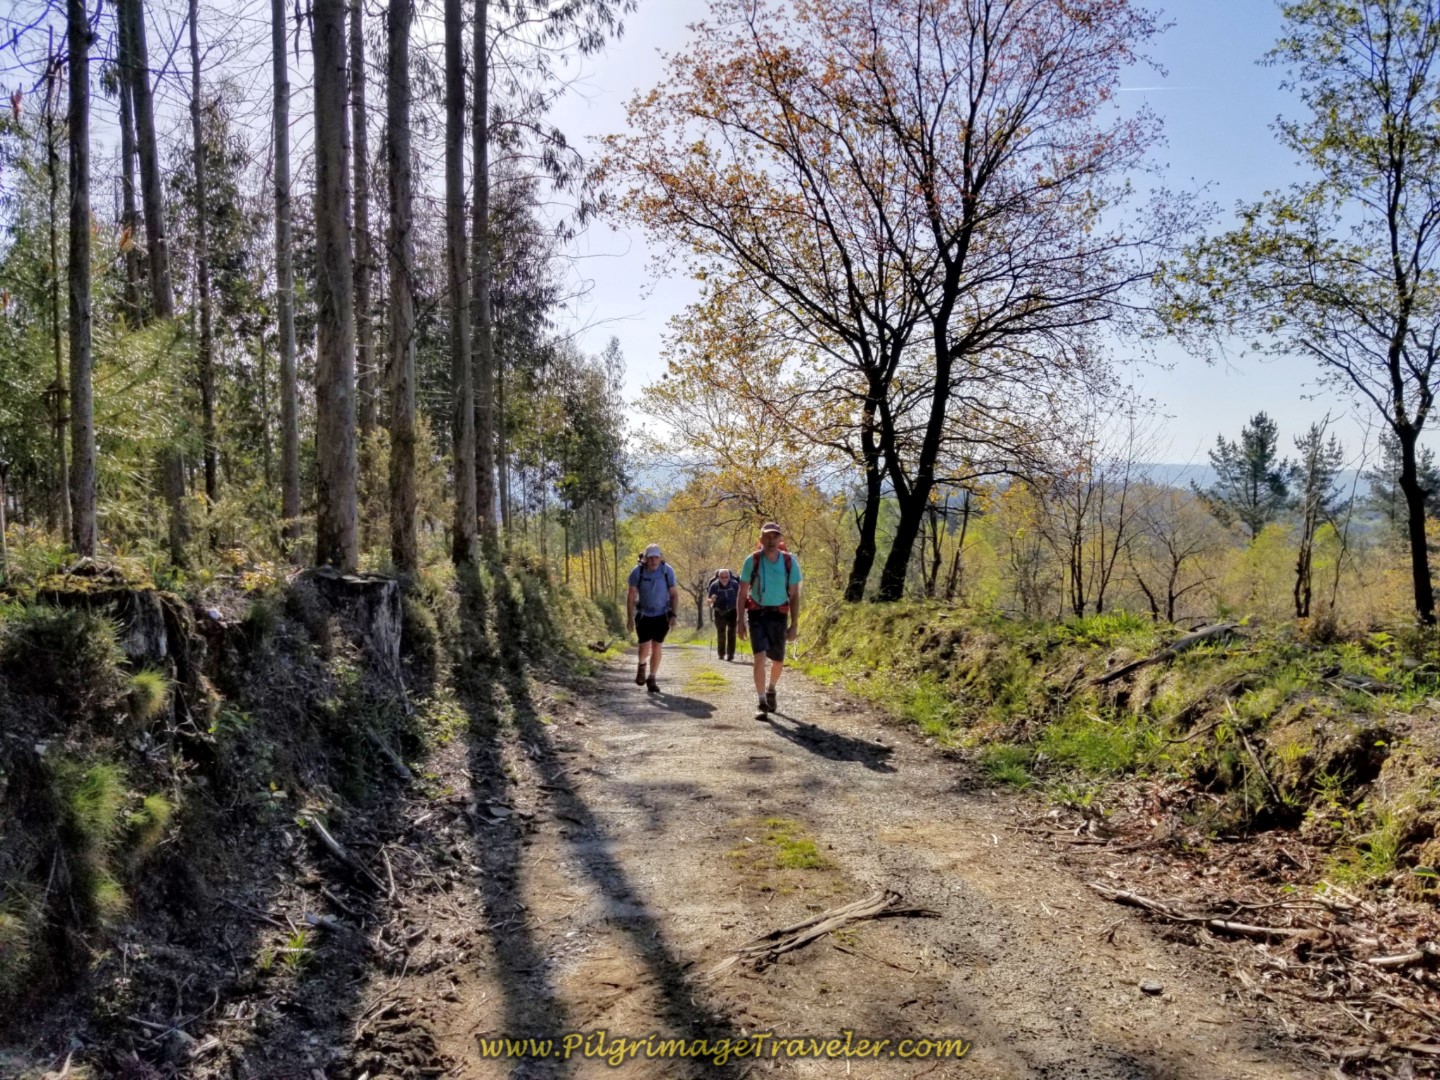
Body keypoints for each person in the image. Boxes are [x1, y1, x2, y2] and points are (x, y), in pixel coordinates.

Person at [737, 522, 802, 715]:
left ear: (780, 539)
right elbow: (741, 594)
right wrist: (740, 622)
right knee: (759, 658)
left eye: (775, 536)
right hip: (756, 613)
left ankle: (771, 688)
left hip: (779, 614)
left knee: (778, 660)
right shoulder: (752, 560)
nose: (771, 540)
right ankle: (761, 702)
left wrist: (794, 625)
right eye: (767, 536)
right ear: (761, 540)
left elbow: (795, 595)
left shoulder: (790, 562)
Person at [626, 544, 679, 693]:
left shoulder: (667, 571)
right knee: (644, 646)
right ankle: (642, 665)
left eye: (656, 557)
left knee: (657, 646)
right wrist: (629, 618)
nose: (653, 561)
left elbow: (674, 594)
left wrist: (673, 615)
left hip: (662, 615)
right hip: (643, 615)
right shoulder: (637, 572)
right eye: (650, 558)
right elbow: (630, 596)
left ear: (660, 557)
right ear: (645, 559)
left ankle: (652, 678)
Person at [707, 568, 740, 661]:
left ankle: (730, 655)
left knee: (732, 633)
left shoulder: (734, 584)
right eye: (722, 577)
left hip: (733, 611)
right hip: (719, 612)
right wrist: (712, 600)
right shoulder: (714, 585)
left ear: (729, 577)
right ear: (718, 577)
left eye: (726, 577)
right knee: (721, 633)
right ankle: (721, 654)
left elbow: (740, 597)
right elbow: (708, 601)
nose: (724, 579)